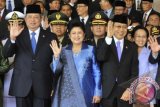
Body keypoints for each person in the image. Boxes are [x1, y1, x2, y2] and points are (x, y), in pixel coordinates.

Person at [3, 5, 58, 107]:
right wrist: (12, 38)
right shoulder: (18, 34)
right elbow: (6, 54)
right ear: (25, 19)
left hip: (43, 85)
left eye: (36, 17)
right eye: (30, 17)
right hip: (22, 85)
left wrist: (57, 57)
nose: (33, 20)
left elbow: (56, 63)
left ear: (41, 18)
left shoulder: (51, 36)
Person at [50, 21, 101, 107]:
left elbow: (97, 72)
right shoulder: (63, 50)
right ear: (69, 35)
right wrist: (56, 57)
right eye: (73, 33)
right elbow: (56, 71)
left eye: (79, 33)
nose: (76, 36)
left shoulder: (91, 49)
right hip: (67, 94)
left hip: (86, 91)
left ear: (84, 34)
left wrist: (98, 92)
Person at [96, 14, 138, 107]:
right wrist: (109, 37)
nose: (121, 30)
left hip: (125, 93)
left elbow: (134, 71)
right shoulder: (103, 42)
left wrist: (130, 89)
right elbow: (100, 58)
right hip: (107, 91)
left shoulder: (132, 46)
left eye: (124, 27)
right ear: (112, 27)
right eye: (118, 26)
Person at [121, 26, 158, 107]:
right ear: (133, 37)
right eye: (138, 36)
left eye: (144, 36)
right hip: (123, 91)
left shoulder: (149, 53)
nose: (141, 39)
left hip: (142, 94)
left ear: (147, 38)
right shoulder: (125, 51)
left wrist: (154, 53)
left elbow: (153, 73)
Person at [3, 11, 25, 107]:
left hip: (25, 86)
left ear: (23, 27)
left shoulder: (31, 42)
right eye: (12, 24)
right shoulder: (2, 43)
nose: (15, 27)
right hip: (7, 83)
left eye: (18, 24)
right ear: (8, 27)